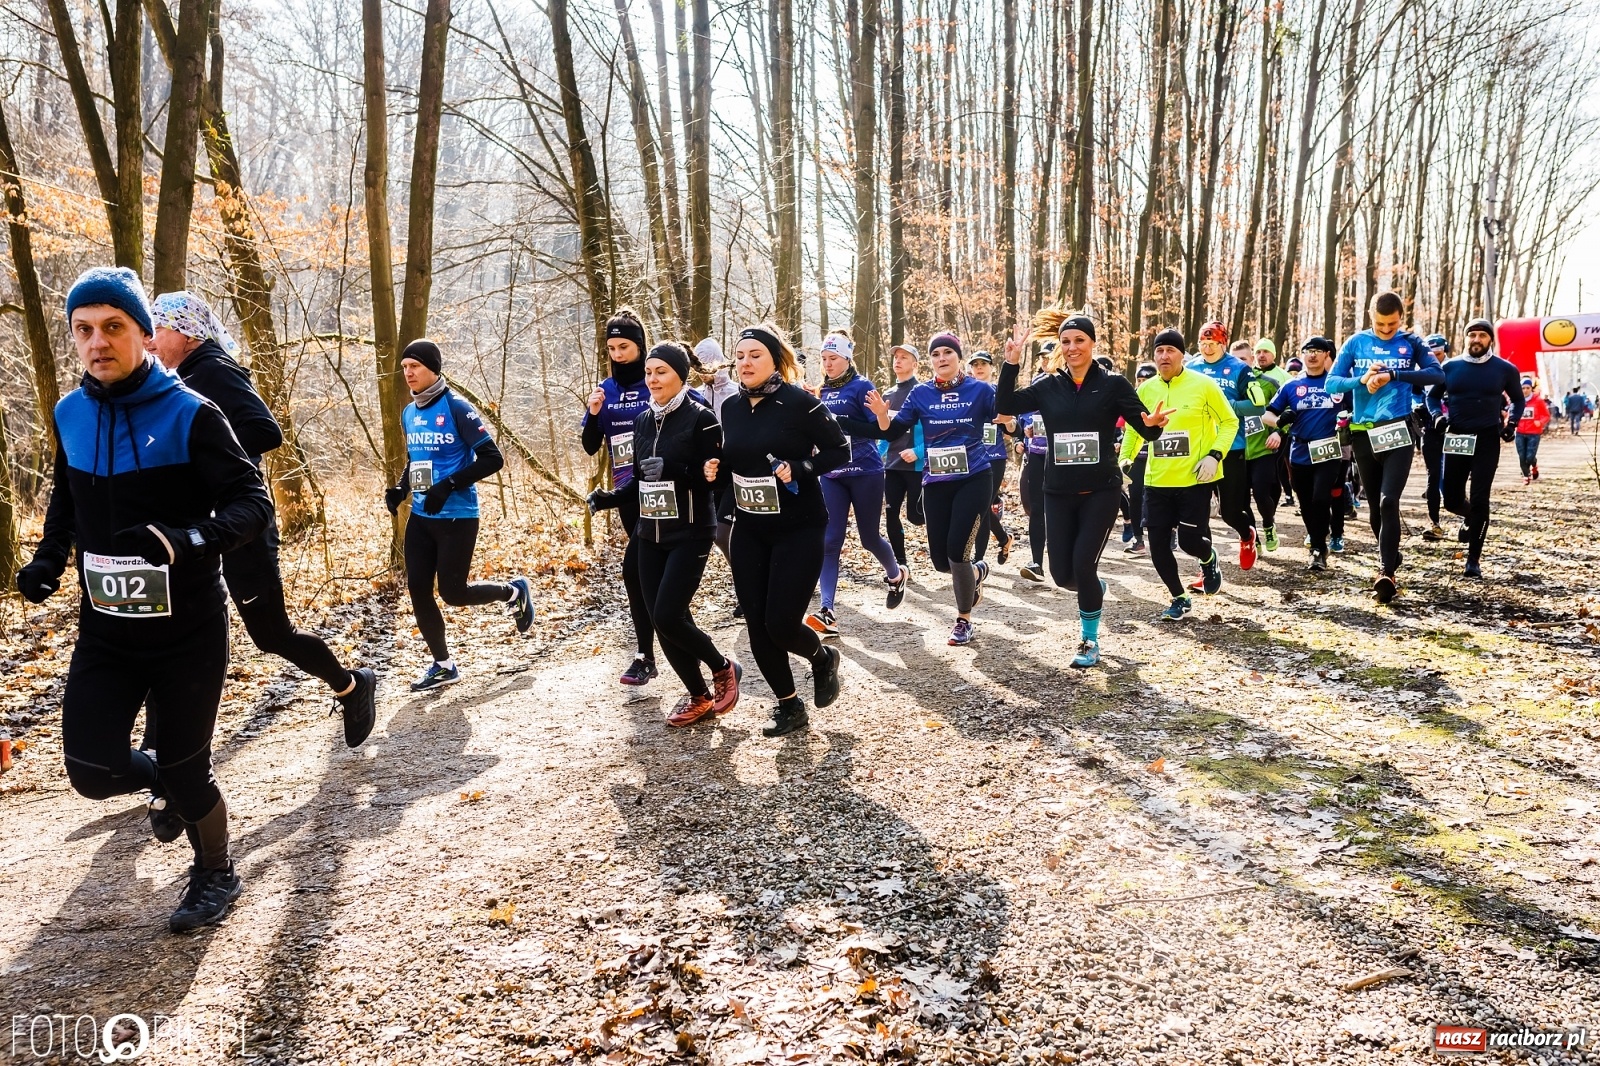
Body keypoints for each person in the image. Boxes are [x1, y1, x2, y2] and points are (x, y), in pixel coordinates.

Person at [16, 267, 273, 932]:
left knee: (191, 773)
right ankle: (163, 775)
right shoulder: (70, 413)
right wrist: (48, 559)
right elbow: (68, 496)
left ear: (142, 335)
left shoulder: (192, 411)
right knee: (90, 770)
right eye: (83, 329)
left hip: (187, 628)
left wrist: (186, 538)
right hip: (106, 629)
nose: (97, 341)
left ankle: (216, 873)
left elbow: (252, 503)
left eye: (114, 327)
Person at [144, 292, 376, 751]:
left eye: (158, 331)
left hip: (241, 527)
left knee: (271, 635)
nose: (149, 342)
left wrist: (205, 456)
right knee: (166, 635)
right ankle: (158, 751)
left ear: (187, 333)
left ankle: (352, 685)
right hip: (198, 532)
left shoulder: (211, 370)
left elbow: (265, 430)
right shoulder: (174, 380)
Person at [996, 312, 1169, 667]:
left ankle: (1089, 641)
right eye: (1066, 341)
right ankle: (1095, 589)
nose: (1072, 347)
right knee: (1063, 575)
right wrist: (1011, 363)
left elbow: (1147, 429)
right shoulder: (1048, 386)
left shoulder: (1113, 384)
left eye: (1079, 340)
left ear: (1092, 344)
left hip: (1100, 491)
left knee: (1083, 565)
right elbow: (1004, 406)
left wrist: (1152, 425)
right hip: (1058, 492)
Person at [705, 323, 847, 737]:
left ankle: (821, 659)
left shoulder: (800, 403)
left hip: (798, 526)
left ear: (775, 361)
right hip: (750, 527)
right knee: (755, 623)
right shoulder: (730, 406)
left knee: (780, 623)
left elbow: (841, 449)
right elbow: (737, 461)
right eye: (741, 355)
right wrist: (715, 471)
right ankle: (789, 705)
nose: (746, 363)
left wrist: (802, 467)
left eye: (755, 355)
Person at [589, 342, 740, 725]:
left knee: (670, 614)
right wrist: (610, 498)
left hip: (690, 529)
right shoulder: (642, 421)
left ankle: (723, 668)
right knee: (660, 618)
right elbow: (641, 479)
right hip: (649, 530)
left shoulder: (702, 419)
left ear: (680, 375)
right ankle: (699, 696)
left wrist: (676, 468)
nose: (653, 379)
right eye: (649, 372)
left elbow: (715, 482)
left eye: (661, 372)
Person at [388, 340, 533, 690]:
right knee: (418, 589)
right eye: (405, 367)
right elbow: (417, 458)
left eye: (415, 366)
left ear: (433, 369)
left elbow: (492, 458)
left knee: (453, 593)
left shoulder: (457, 408)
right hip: (422, 517)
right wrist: (401, 487)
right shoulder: (409, 412)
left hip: (457, 516)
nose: (408, 373)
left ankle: (513, 592)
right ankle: (443, 664)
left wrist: (447, 485)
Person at [862, 331, 996, 646]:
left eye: (948, 352)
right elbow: (894, 431)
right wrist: (882, 415)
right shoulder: (921, 393)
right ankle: (975, 574)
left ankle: (963, 620)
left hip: (974, 477)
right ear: (931, 360)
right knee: (940, 561)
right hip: (936, 482)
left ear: (958, 357)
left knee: (957, 550)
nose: (942, 358)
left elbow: (1004, 417)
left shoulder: (980, 390)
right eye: (936, 354)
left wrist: (1014, 423)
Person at [1325, 291, 1444, 603]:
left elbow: (1436, 374)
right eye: (1380, 324)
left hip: (1398, 430)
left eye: (1392, 324)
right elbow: (1331, 383)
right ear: (1369, 316)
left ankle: (1386, 572)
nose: (1386, 329)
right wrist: (1360, 381)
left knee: (1389, 501)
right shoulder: (1355, 343)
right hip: (1363, 432)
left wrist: (1395, 374)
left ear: (1401, 319)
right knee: (1376, 507)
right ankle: (1390, 553)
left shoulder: (1412, 342)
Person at [1121, 328, 1238, 620]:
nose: (1164, 356)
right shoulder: (1146, 390)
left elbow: (1229, 422)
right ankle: (1179, 597)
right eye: (1159, 351)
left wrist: (1215, 455)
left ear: (1182, 355)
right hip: (1157, 480)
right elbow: (1135, 430)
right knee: (1157, 545)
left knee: (1189, 542)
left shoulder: (1204, 385)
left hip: (1194, 479)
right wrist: (1124, 459)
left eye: (1170, 350)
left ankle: (1209, 559)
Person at [807, 331, 908, 637]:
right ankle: (827, 610)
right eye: (824, 359)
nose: (828, 364)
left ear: (847, 358)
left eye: (833, 359)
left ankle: (895, 575)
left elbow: (882, 431)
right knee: (830, 541)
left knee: (868, 538)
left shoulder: (862, 386)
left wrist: (849, 423)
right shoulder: (821, 391)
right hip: (832, 475)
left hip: (865, 471)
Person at [582, 309, 660, 684]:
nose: (617, 354)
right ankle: (657, 649)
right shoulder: (605, 390)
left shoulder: (656, 380)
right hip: (625, 492)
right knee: (646, 572)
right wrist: (595, 413)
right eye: (611, 347)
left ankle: (647, 654)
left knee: (637, 571)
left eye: (624, 347)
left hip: (662, 488)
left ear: (641, 347)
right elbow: (589, 445)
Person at [1425, 319, 1524, 578]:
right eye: (1472, 335)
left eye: (1482, 335)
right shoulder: (1450, 366)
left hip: (1487, 438)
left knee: (1481, 499)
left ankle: (1473, 560)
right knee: (1451, 500)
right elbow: (1432, 396)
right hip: (1457, 435)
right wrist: (1437, 416)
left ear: (1490, 339)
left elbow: (1518, 399)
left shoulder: (1505, 369)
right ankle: (1470, 517)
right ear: (1465, 338)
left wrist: (1511, 423)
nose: (1477, 340)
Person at [1187, 321, 1266, 571]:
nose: (1207, 349)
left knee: (1230, 512)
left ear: (1223, 344)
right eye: (1203, 344)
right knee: (1199, 513)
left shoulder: (1239, 369)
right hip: (1199, 448)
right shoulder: (1191, 368)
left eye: (1212, 344)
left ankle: (1247, 535)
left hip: (1232, 446)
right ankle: (1207, 567)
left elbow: (1258, 406)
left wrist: (1228, 407)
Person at [1263, 337, 1346, 571]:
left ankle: (1319, 548)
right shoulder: (1291, 386)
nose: (1312, 355)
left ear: (1326, 355)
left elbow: (1354, 408)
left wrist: (1347, 421)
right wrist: (1280, 420)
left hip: (1328, 450)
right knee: (1306, 502)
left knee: (1321, 497)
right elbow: (1267, 415)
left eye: (1318, 351)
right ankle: (1317, 540)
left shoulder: (1337, 384)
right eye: (1308, 350)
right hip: (1299, 451)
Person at [1230, 339, 1283, 555]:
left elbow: (1285, 414)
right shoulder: (1223, 387)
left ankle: (1268, 524)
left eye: (1243, 360)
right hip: (1236, 452)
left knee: (1262, 494)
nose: (1239, 364)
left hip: (1262, 450)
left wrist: (1279, 433)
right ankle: (1253, 538)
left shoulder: (1269, 384)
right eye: (1234, 360)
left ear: (1252, 361)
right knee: (1241, 502)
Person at [966, 350, 1018, 563]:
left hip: (994, 456)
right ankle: (1004, 538)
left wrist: (1007, 422)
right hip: (970, 456)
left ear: (991, 368)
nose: (979, 367)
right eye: (975, 364)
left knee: (983, 505)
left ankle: (978, 562)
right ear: (970, 368)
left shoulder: (1000, 392)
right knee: (979, 507)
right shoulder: (966, 393)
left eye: (984, 364)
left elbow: (1014, 427)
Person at [880, 343, 927, 571]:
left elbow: (936, 431)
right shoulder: (887, 395)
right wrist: (877, 456)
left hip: (917, 465)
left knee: (916, 517)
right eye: (896, 357)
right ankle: (901, 564)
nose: (898, 361)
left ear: (915, 364)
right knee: (891, 514)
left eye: (904, 357)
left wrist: (918, 451)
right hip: (892, 466)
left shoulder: (923, 392)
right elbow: (884, 432)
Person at [1016, 342, 1055, 580]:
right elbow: (1023, 415)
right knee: (1037, 508)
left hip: (1064, 458)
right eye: (1041, 357)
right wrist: (1024, 432)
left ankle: (1068, 557)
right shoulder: (1036, 383)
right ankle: (1036, 562)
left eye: (1049, 357)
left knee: (1060, 508)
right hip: (1037, 455)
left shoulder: (1069, 381)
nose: (1044, 361)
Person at [1120, 362, 1159, 556]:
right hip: (1137, 457)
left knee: (1156, 497)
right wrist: (1123, 454)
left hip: (1160, 457)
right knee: (1135, 496)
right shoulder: (1131, 397)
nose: (1142, 384)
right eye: (1139, 380)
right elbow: (1123, 427)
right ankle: (1138, 539)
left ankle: (1169, 533)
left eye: (1147, 380)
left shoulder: (1164, 397)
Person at [1416, 334, 1451, 541]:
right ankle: (1434, 523)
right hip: (1430, 429)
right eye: (1430, 354)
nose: (1434, 357)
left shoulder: (1454, 368)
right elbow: (1412, 395)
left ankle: (1467, 514)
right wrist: (1416, 407)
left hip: (1455, 429)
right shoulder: (1421, 373)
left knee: (1454, 474)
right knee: (1433, 474)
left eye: (1438, 353)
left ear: (1444, 351)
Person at [1515, 378, 1551, 483]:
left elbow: (1546, 415)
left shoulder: (1538, 400)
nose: (1525, 390)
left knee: (1530, 457)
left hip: (1534, 433)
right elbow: (1512, 413)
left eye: (1527, 388)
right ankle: (1526, 476)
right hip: (1520, 432)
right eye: (1523, 388)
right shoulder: (1517, 400)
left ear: (1531, 388)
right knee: (1522, 456)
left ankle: (1534, 465)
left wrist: (1540, 422)